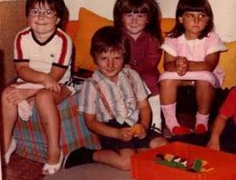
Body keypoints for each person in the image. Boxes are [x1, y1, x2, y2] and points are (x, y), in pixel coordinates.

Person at [64, 26, 167, 171]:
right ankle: (89, 154)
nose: (111, 65)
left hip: (135, 124)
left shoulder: (133, 75)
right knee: (128, 163)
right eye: (104, 58)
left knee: (162, 146)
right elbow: (91, 122)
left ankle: (139, 149)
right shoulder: (91, 85)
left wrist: (143, 125)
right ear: (94, 57)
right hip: (111, 129)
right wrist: (117, 133)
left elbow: (144, 106)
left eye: (117, 58)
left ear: (124, 56)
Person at [1, 0, 73, 175]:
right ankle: (6, 143)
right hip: (31, 79)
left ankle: (54, 152)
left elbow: (55, 77)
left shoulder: (64, 41)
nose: (41, 17)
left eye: (48, 12)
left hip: (60, 84)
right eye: (35, 12)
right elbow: (22, 69)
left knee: (43, 98)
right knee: (6, 95)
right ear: (27, 17)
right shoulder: (21, 37)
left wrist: (29, 93)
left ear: (58, 19)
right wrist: (38, 81)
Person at [159, 0, 226, 136]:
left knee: (204, 78)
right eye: (190, 16)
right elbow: (167, 64)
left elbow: (209, 65)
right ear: (180, 19)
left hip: (205, 85)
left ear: (208, 19)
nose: (197, 20)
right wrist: (176, 64)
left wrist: (187, 65)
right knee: (165, 79)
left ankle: (202, 121)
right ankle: (172, 123)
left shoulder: (211, 38)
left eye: (201, 16)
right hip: (181, 82)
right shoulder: (173, 38)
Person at [114, 0, 163, 134]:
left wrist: (133, 69)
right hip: (121, 72)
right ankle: (122, 121)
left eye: (140, 16)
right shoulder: (117, 36)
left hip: (145, 73)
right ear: (122, 18)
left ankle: (156, 122)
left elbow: (150, 62)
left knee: (151, 81)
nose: (134, 21)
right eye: (129, 15)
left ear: (148, 19)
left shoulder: (151, 39)